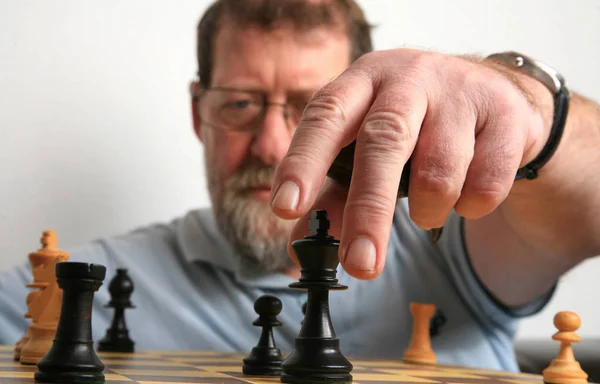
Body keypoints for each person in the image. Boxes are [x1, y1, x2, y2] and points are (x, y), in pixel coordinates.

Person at [1, 0, 598, 373]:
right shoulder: (90, 282)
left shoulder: (456, 238)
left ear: (365, 112)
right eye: (239, 104)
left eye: (314, 108)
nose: (272, 146)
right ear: (196, 113)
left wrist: (531, 110)